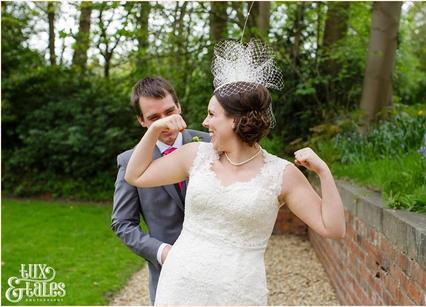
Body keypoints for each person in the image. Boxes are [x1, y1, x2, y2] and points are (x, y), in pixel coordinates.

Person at [124, 40, 346, 305]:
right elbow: (135, 175)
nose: (204, 122)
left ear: (236, 120)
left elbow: (333, 229)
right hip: (179, 287)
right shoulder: (196, 156)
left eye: (211, 114)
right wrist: (153, 130)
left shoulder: (281, 174)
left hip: (238, 293)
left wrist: (324, 172)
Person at [111, 76, 210, 304]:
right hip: (169, 277)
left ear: (179, 106)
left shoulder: (211, 143)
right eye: (154, 118)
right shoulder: (130, 162)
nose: (165, 123)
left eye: (169, 112)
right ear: (142, 121)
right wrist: (161, 252)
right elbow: (122, 223)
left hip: (219, 269)